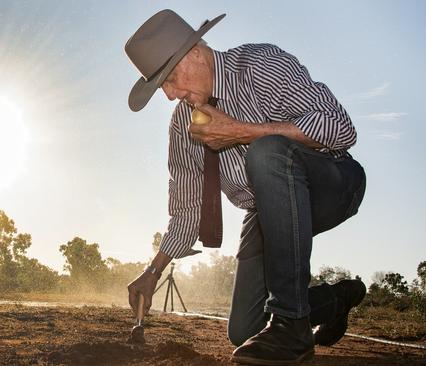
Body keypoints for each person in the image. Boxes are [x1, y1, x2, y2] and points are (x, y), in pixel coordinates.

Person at [124, 9, 367, 366]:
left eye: (172, 78)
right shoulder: (182, 127)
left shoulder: (259, 65)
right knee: (244, 331)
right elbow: (188, 210)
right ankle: (337, 299)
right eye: (163, 87)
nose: (171, 96)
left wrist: (242, 132)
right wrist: (153, 270)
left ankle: (290, 323)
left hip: (334, 183)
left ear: (194, 51)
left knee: (267, 151)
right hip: (266, 212)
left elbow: (340, 128)